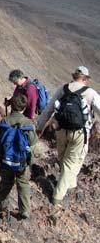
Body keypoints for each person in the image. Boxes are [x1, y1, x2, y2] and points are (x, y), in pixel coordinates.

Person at [37, 66, 100, 205]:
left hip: (60, 131)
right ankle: (57, 197)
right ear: (85, 79)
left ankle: (70, 186)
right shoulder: (90, 93)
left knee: (63, 159)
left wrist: (40, 127)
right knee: (71, 163)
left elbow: (49, 109)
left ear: (74, 76)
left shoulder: (63, 89)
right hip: (79, 133)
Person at [0, 94, 37, 219]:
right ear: (24, 108)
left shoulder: (5, 121)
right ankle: (24, 210)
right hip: (22, 160)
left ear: (11, 106)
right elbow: (33, 141)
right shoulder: (28, 123)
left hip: (6, 159)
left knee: (7, 180)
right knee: (23, 183)